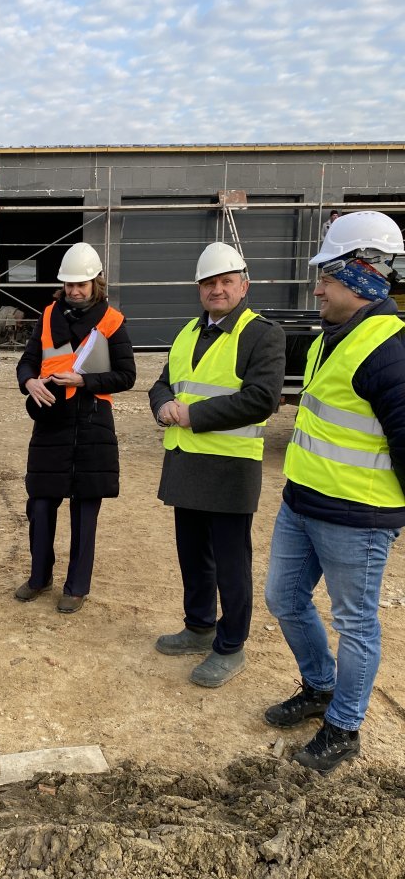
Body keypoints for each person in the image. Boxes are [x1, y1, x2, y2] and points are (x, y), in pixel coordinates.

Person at [264, 210, 405, 774]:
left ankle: (344, 726)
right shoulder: (336, 335)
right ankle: (320, 686)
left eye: (327, 277)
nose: (317, 288)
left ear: (363, 275)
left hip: (358, 517)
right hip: (303, 502)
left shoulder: (389, 350)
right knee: (284, 599)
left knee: (355, 625)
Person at [149, 242, 285, 687]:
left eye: (226, 281)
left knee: (231, 565)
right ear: (199, 289)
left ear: (244, 286)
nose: (217, 290)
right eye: (209, 283)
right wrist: (163, 404)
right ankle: (199, 627)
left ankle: (230, 646)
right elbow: (163, 382)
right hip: (186, 465)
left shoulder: (261, 334)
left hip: (229, 470)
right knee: (193, 557)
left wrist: (193, 415)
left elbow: (261, 399)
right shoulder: (188, 331)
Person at [15, 242, 136, 613]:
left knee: (85, 510)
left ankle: (76, 586)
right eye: (69, 285)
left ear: (96, 282)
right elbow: (27, 361)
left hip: (92, 424)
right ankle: (39, 577)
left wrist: (84, 381)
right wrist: (29, 382)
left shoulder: (111, 321)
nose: (74, 291)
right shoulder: (48, 316)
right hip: (51, 422)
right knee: (40, 505)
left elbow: (127, 375)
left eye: (81, 284)